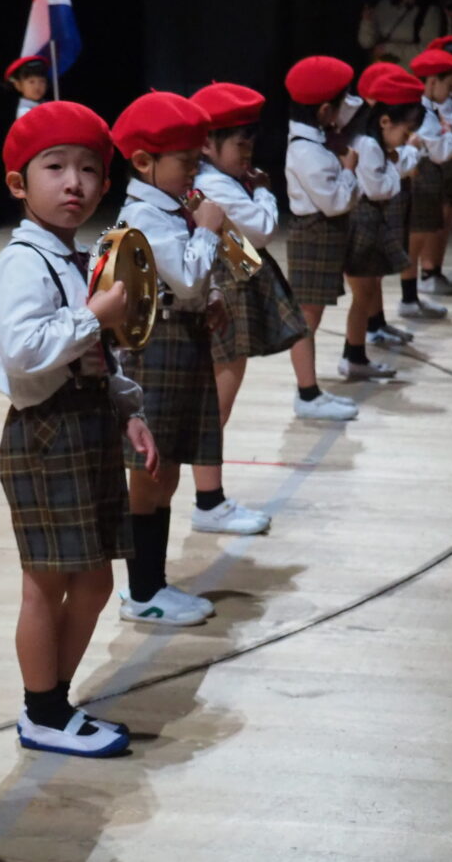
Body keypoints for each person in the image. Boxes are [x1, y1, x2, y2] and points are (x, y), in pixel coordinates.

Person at [0, 101, 156, 756]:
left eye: (88, 169)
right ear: (18, 183)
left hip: (86, 426)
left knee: (95, 580)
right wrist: (94, 315)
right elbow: (25, 352)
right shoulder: (22, 261)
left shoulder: (73, 256)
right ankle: (44, 713)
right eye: (54, 167)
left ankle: (53, 703)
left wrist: (128, 411)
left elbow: (96, 357)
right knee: (46, 581)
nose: (74, 182)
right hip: (45, 432)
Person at [111, 91, 229, 626]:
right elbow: (182, 274)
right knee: (151, 471)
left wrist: (211, 297)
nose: (194, 172)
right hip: (156, 348)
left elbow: (186, 281)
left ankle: (154, 582)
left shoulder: (169, 206)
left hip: (182, 340)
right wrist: (206, 230)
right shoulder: (145, 213)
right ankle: (142, 592)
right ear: (144, 161)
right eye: (186, 161)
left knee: (170, 466)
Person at [188, 82, 306, 527]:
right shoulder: (217, 186)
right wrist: (264, 191)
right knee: (216, 403)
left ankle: (209, 498)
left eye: (250, 144)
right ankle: (208, 502)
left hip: (225, 285)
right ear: (207, 144)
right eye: (240, 144)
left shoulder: (214, 180)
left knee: (217, 401)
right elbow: (261, 230)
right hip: (223, 291)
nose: (247, 153)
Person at [283, 56, 363, 419]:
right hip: (314, 234)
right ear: (325, 110)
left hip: (322, 235)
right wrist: (349, 171)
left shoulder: (315, 140)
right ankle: (307, 394)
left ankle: (311, 391)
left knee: (310, 316)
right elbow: (335, 202)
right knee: (306, 318)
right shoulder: (307, 150)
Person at [341, 67, 427, 378]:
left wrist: (394, 162)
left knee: (366, 291)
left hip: (369, 218)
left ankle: (356, 354)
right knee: (362, 293)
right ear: (385, 121)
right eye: (406, 130)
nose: (407, 137)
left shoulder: (374, 144)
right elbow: (378, 188)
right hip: (363, 219)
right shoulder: (368, 145)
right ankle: (353, 357)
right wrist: (396, 167)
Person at [399, 47, 452, 319]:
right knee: (415, 240)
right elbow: (442, 152)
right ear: (432, 82)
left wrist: (447, 135)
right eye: (447, 83)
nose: (450, 89)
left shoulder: (428, 111)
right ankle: (408, 298)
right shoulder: (424, 113)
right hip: (422, 177)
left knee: (419, 238)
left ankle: (411, 297)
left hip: (428, 175)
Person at [357, 0, 443, 67]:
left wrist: (390, 49)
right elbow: (366, 42)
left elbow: (429, 50)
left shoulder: (430, 11)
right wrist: (367, 22)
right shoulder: (384, 5)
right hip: (381, 71)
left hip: (409, 73)